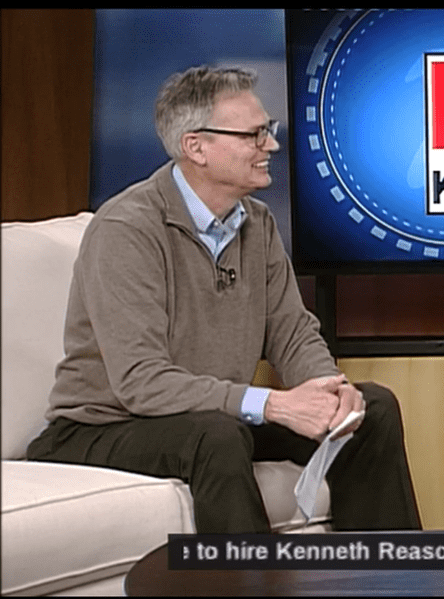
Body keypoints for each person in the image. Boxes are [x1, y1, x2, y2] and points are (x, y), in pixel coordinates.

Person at [26, 65, 421, 534]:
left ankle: (390, 581)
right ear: (196, 147)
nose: (270, 146)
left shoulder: (256, 223)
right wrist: (275, 405)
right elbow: (141, 382)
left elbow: (292, 332)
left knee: (369, 409)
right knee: (217, 435)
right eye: (254, 135)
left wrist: (327, 389)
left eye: (267, 131)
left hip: (209, 417)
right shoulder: (126, 230)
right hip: (103, 427)